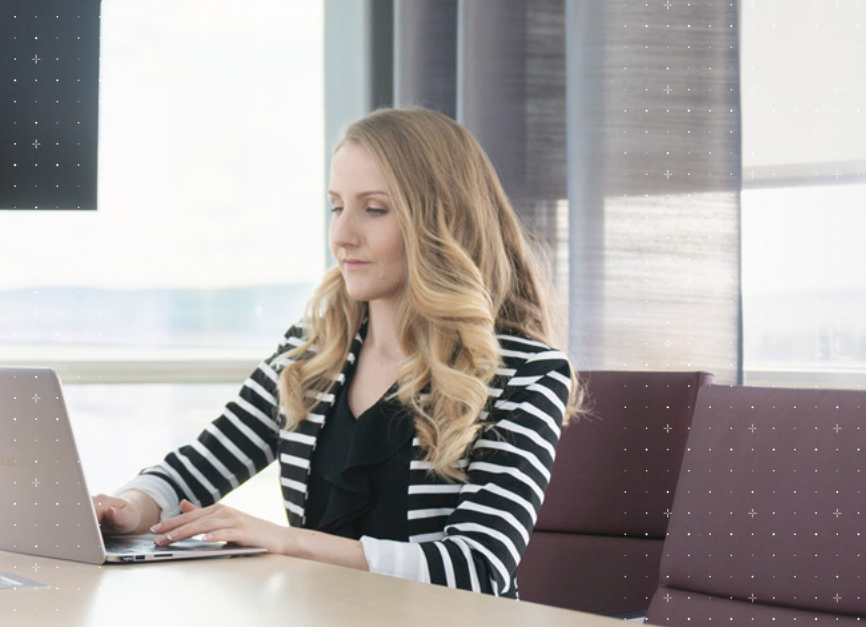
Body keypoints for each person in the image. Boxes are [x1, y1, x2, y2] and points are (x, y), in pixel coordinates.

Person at [92, 107, 576, 597]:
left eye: (375, 208)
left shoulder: (527, 375)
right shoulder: (310, 354)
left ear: (441, 220)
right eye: (336, 206)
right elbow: (193, 470)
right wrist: (131, 505)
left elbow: (478, 568)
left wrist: (287, 542)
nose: (342, 235)